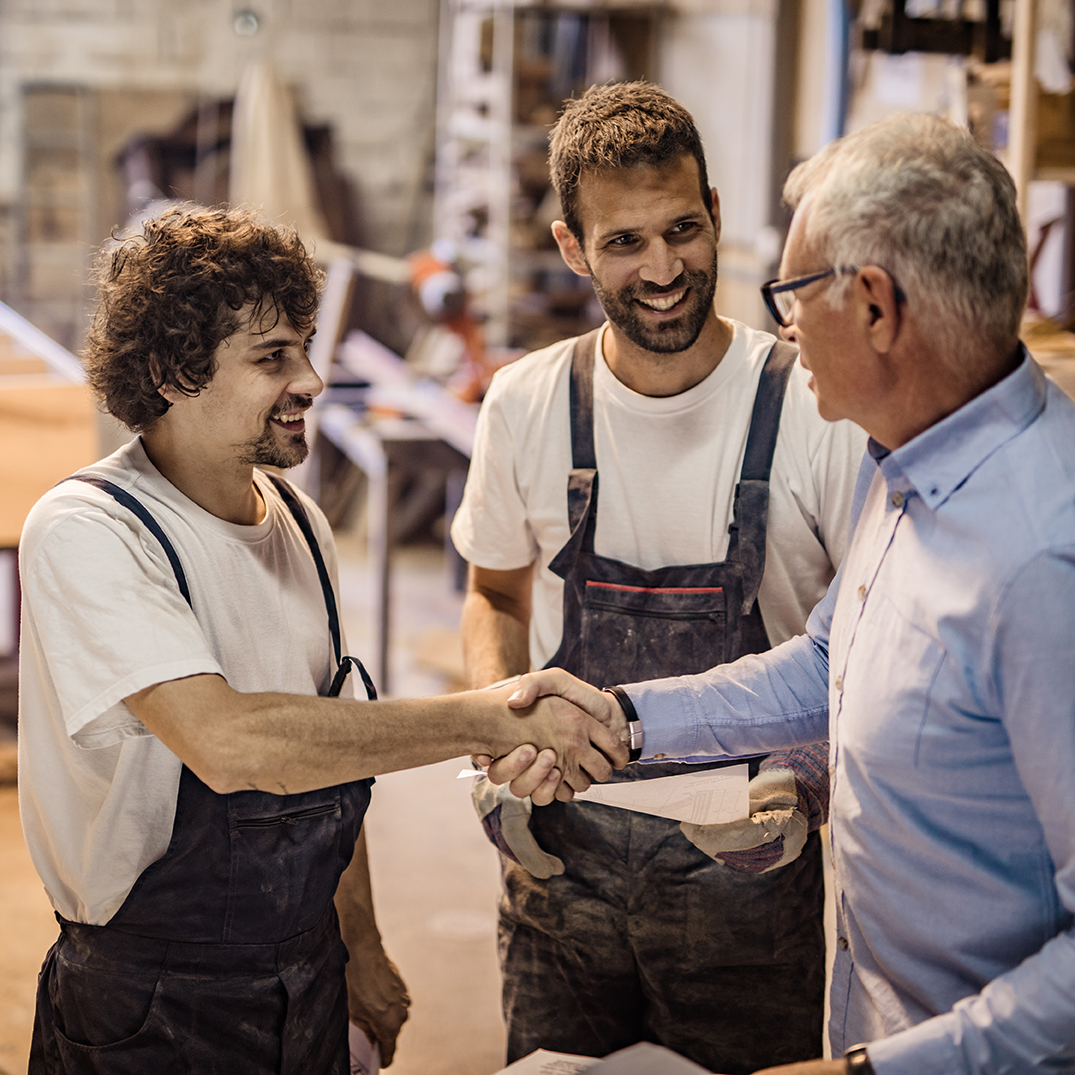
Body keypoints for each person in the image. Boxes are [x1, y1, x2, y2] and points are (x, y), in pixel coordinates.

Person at [506, 111, 1075, 1073]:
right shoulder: (906, 471)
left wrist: (869, 1071)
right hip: (873, 1013)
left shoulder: (1040, 558)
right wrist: (622, 716)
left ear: (875, 308)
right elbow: (825, 662)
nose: (778, 321)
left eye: (795, 290)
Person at [17, 205, 625, 1075]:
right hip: (150, 1001)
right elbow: (231, 744)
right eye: (272, 357)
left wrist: (360, 945)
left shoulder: (298, 520)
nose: (311, 378)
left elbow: (326, 755)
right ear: (170, 372)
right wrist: (487, 718)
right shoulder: (91, 529)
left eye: (305, 346)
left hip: (307, 974)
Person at [450, 82, 866, 1072]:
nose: (664, 267)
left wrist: (803, 777)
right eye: (624, 242)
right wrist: (494, 733)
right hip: (561, 868)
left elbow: (867, 634)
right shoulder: (525, 403)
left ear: (717, 214)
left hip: (749, 876)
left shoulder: (813, 406)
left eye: (682, 229)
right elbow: (494, 592)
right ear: (570, 247)